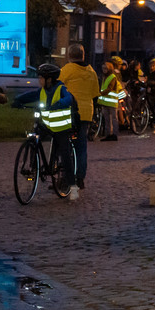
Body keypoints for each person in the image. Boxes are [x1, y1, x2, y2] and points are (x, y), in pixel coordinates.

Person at [14, 63, 77, 199]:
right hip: (47, 125)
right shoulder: (42, 90)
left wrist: (59, 104)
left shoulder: (61, 89)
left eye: (41, 78)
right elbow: (31, 95)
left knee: (65, 156)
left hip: (61, 127)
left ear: (49, 79)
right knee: (34, 138)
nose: (39, 80)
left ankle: (73, 186)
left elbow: (69, 98)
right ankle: (33, 166)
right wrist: (18, 100)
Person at [59, 44, 99, 194]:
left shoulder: (67, 70)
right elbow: (95, 95)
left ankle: (66, 177)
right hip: (86, 113)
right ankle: (80, 178)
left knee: (64, 145)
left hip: (69, 112)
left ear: (69, 56)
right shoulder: (91, 72)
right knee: (81, 146)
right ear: (83, 55)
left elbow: (57, 88)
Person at [96, 59, 124, 142]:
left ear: (110, 69)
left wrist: (100, 93)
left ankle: (114, 134)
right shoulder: (104, 77)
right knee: (108, 119)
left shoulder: (112, 77)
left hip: (111, 101)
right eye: (103, 68)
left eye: (105, 69)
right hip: (106, 101)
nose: (104, 70)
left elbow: (109, 88)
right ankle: (109, 134)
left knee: (113, 118)